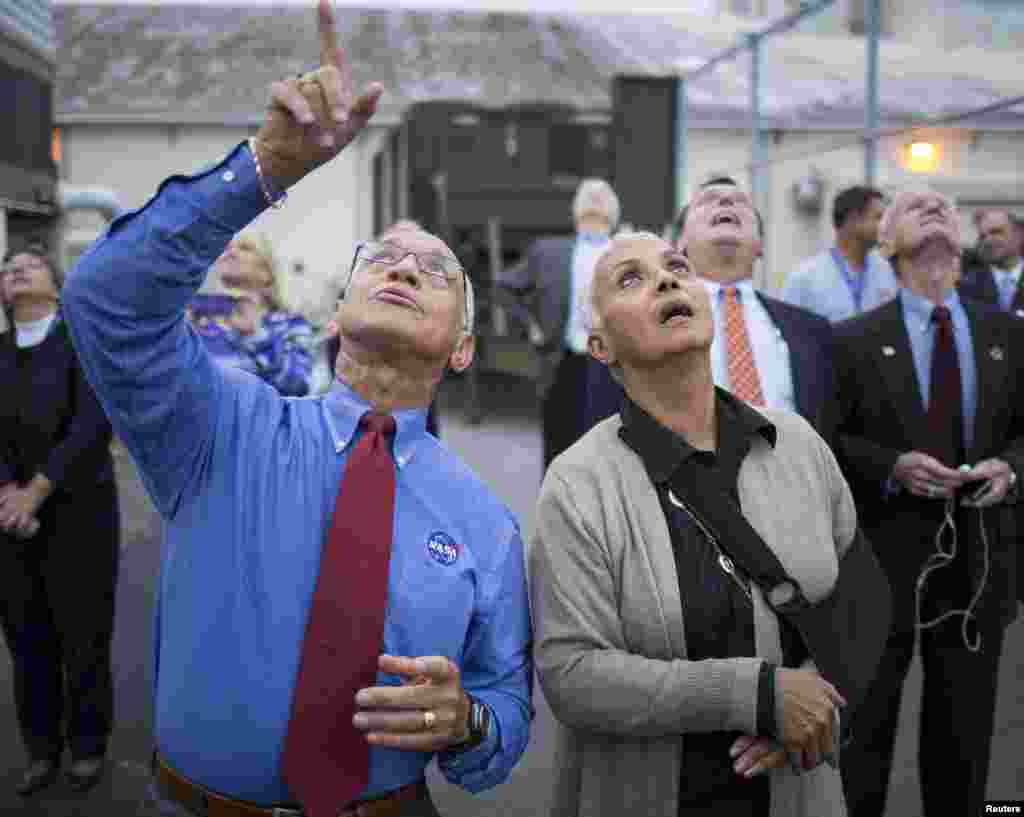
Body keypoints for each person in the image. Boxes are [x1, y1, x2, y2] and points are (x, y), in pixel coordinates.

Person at [61, 5, 531, 817]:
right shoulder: (221, 427)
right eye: (380, 256)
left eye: (436, 269)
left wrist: (469, 719)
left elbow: (506, 708)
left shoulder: (487, 524)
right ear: (336, 310)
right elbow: (104, 302)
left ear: (461, 346)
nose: (403, 264)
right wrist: (266, 166)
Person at [529, 231, 888, 817]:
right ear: (600, 345)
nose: (668, 279)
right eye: (632, 278)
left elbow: (864, 595)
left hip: (798, 792)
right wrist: (758, 696)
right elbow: (572, 673)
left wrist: (817, 699)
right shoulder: (578, 484)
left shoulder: (795, 442)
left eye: (676, 267)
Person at [832, 190, 1024, 817]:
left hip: (979, 564)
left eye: (943, 206)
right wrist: (891, 467)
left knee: (965, 742)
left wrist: (1010, 468)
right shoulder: (852, 341)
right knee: (866, 736)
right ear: (885, 246)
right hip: (883, 564)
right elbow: (831, 440)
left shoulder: (1008, 335)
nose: (936, 209)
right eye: (915, 208)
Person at [585, 177, 837, 447]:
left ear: (761, 243)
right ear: (679, 242)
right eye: (707, 200)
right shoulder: (631, 326)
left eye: (741, 202)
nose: (726, 201)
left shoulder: (814, 331)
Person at [0, 244, 121, 796]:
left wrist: (37, 492)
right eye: (7, 267)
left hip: (80, 516)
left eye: (28, 263)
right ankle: (40, 751)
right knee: (27, 640)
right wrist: (10, 495)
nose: (14, 269)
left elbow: (91, 425)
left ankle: (88, 748)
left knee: (83, 638)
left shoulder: (81, 344)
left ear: (56, 284)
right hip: (11, 523)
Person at [496, 177, 620, 468]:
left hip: (615, 370)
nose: (594, 198)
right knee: (559, 454)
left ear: (614, 211)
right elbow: (503, 287)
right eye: (587, 194)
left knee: (608, 455)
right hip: (561, 363)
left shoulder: (628, 253)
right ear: (575, 209)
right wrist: (530, 325)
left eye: (601, 194)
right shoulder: (548, 251)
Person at [189, 231, 315, 396]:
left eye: (245, 248)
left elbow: (297, 388)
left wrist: (255, 335)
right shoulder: (201, 325)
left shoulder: (291, 324)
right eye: (226, 248)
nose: (230, 253)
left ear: (266, 272)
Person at [782, 186, 899, 323]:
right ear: (853, 219)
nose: (886, 226)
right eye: (879, 217)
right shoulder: (804, 279)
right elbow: (789, 333)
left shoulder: (888, 273)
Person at [958, 208, 1024, 317]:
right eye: (982, 236)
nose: (988, 241)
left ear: (1019, 235)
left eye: (996, 232)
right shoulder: (965, 287)